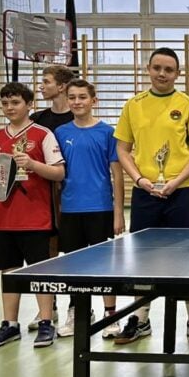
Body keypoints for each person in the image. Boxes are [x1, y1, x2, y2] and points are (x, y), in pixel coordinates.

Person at [113, 47, 189, 345]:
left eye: (169, 69)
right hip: (145, 193)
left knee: (188, 257)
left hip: (184, 193)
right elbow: (122, 149)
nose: (162, 74)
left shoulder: (188, 105)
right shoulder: (133, 105)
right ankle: (140, 318)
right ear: (148, 69)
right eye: (157, 68)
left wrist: (177, 180)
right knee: (144, 258)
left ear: (177, 74)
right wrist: (140, 179)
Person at [0, 82, 66, 348]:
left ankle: (46, 322)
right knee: (9, 272)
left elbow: (59, 173)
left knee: (42, 272)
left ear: (29, 105)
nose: (9, 107)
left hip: (36, 218)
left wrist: (33, 164)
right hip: (3, 219)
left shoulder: (43, 134)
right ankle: (10, 324)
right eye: (5, 103)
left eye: (15, 102)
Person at [53, 79, 125, 338]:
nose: (77, 101)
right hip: (71, 210)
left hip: (100, 208)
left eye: (82, 97)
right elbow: (56, 174)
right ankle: (79, 312)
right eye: (72, 97)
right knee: (74, 266)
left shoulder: (107, 132)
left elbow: (117, 175)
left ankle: (110, 315)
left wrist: (118, 213)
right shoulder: (60, 133)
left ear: (94, 100)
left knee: (105, 265)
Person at [27, 64, 75, 330]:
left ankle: (77, 307)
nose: (41, 86)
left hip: (73, 193)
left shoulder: (77, 116)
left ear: (62, 86)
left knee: (75, 250)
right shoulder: (37, 119)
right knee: (49, 250)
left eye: (46, 81)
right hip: (43, 194)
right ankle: (49, 307)